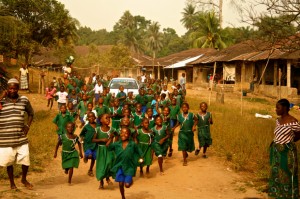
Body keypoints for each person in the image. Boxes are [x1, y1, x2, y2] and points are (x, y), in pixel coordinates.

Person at [0, 78, 34, 190]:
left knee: (26, 159)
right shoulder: (2, 101)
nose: (12, 90)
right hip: (6, 138)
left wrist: (27, 126)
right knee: (9, 162)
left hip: (21, 137)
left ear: (18, 89)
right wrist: (1, 96)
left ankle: (24, 179)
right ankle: (12, 183)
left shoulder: (24, 99)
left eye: (15, 88)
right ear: (7, 89)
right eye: (10, 88)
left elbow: (31, 113)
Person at [268, 99, 300, 199]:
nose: (276, 109)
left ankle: (289, 195)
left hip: (287, 152)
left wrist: (289, 141)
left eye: (278, 107)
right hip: (277, 151)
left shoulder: (293, 121)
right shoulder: (278, 120)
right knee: (276, 173)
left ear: (285, 108)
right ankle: (278, 194)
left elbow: (299, 134)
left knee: (287, 173)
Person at [107, 127, 143, 199]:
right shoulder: (117, 144)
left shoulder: (132, 144)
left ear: (129, 135)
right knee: (120, 184)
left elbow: (139, 151)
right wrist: (111, 138)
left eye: (126, 133)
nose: (123, 134)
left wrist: (141, 158)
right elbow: (108, 147)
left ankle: (130, 181)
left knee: (127, 185)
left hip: (130, 166)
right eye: (122, 133)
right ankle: (123, 197)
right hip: (120, 165)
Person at [92, 114, 115, 189]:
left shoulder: (112, 129)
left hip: (109, 150)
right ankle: (101, 182)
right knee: (101, 166)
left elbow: (116, 136)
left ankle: (107, 178)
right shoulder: (98, 129)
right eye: (106, 118)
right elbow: (93, 140)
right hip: (101, 149)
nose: (108, 119)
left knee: (109, 163)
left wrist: (111, 139)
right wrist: (101, 140)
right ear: (101, 120)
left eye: (109, 118)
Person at [80, 112, 97, 177]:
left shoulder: (98, 125)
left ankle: (90, 170)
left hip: (95, 144)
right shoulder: (86, 127)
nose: (91, 118)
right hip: (87, 144)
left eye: (93, 116)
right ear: (87, 118)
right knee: (90, 155)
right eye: (89, 117)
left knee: (93, 158)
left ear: (95, 118)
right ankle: (86, 156)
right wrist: (82, 138)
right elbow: (82, 134)